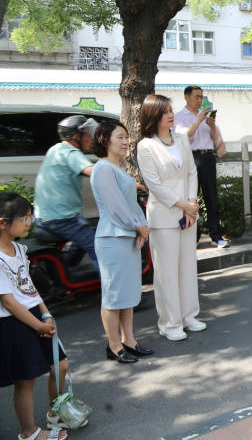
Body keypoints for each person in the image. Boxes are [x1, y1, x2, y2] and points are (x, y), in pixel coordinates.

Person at [1, 192, 70, 440]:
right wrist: (37, 325)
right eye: (24, 218)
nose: (29, 223)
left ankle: (55, 412)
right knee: (26, 378)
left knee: (60, 366)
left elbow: (28, 286)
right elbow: (8, 301)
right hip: (13, 322)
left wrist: (46, 313)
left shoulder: (20, 249)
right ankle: (28, 432)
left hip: (35, 315)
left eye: (30, 217)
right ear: (2, 222)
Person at [137, 94, 205, 341]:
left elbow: (191, 172)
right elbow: (154, 184)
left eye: (170, 110)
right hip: (164, 216)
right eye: (165, 111)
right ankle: (170, 322)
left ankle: (189, 316)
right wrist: (184, 204)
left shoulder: (180, 139)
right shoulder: (146, 146)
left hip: (187, 214)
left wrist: (192, 204)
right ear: (154, 115)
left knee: (188, 266)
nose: (170, 114)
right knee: (166, 272)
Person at [89, 121, 154, 364]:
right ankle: (114, 346)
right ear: (105, 140)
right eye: (120, 137)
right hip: (112, 238)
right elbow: (116, 207)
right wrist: (139, 227)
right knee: (113, 295)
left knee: (127, 294)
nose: (126, 141)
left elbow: (131, 203)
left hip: (126, 237)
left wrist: (141, 227)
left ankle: (130, 340)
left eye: (127, 137)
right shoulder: (103, 168)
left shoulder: (117, 168)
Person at [33, 115, 100, 271]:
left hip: (46, 217)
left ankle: (64, 271)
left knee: (84, 236)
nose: (90, 138)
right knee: (100, 248)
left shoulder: (56, 149)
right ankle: (116, 293)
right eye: (88, 135)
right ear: (76, 136)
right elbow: (93, 172)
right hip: (62, 219)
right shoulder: (70, 153)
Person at [174, 86, 229, 248]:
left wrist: (211, 125)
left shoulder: (205, 117)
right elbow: (185, 135)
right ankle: (193, 236)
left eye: (201, 97)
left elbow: (214, 137)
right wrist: (198, 120)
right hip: (190, 157)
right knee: (191, 197)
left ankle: (216, 235)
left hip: (208, 157)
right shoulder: (179, 117)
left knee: (211, 197)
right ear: (186, 97)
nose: (200, 100)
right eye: (197, 97)